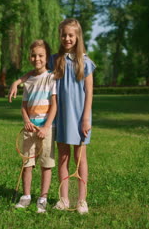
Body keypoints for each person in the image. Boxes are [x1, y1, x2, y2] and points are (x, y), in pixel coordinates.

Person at [9, 19, 95, 214]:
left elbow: (89, 92)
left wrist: (86, 118)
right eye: (63, 35)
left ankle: (82, 200)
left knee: (80, 158)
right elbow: (36, 71)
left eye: (71, 35)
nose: (67, 38)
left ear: (78, 37)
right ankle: (64, 199)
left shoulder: (86, 62)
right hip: (60, 118)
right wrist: (17, 81)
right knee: (63, 157)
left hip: (80, 117)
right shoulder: (55, 59)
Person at [14, 40, 57, 214]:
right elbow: (24, 106)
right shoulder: (29, 80)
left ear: (47, 58)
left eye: (40, 55)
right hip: (29, 129)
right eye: (33, 55)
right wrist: (26, 121)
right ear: (29, 57)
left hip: (46, 129)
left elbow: (54, 105)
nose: (36, 58)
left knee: (46, 164)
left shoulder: (51, 77)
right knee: (27, 163)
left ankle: (43, 198)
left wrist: (46, 127)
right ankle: (26, 196)